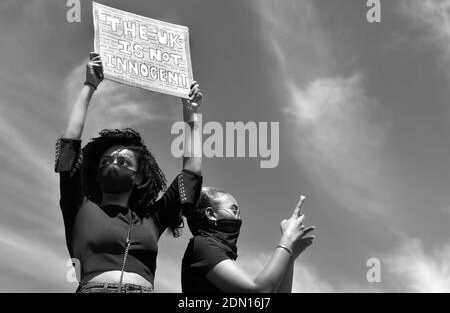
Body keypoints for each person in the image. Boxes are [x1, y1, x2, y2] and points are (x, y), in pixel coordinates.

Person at [54, 52, 204, 293]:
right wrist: (89, 85)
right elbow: (69, 146)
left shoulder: (152, 218)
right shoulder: (79, 206)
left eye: (123, 160)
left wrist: (192, 118)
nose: (114, 160)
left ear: (138, 177)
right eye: (107, 160)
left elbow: (190, 176)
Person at [181, 187, 316, 293]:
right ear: (211, 214)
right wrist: (287, 238)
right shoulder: (201, 244)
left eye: (239, 212)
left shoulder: (213, 248)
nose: (239, 218)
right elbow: (259, 291)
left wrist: (290, 255)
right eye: (234, 211)